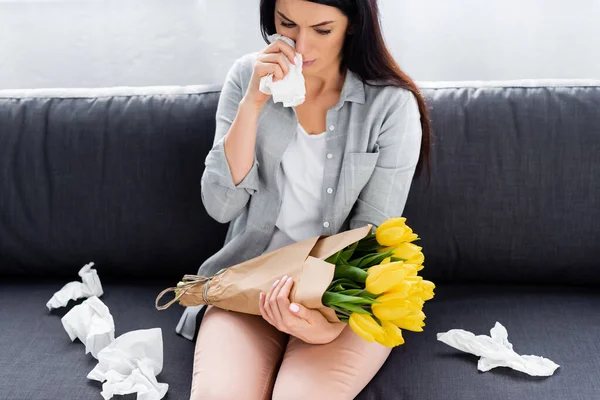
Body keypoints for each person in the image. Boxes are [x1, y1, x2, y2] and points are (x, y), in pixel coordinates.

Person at [181, 0, 432, 398]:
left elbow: (372, 236)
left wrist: (328, 321)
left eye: (322, 30)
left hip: (347, 296)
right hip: (251, 283)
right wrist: (253, 104)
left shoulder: (390, 106)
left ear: (352, 25)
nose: (300, 46)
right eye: (287, 24)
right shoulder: (247, 78)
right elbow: (220, 206)